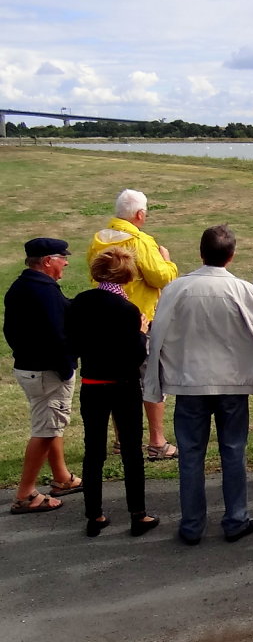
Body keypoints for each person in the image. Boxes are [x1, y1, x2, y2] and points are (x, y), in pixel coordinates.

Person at [144, 224, 253, 545]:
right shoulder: (240, 289)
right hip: (231, 384)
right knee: (233, 451)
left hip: (188, 383)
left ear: (201, 253)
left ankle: (192, 525)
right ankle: (235, 518)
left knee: (190, 455)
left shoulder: (176, 289)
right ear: (232, 255)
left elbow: (156, 338)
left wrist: (153, 385)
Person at [66, 247, 159, 537]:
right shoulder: (127, 310)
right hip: (123, 385)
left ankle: (94, 515)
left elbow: (74, 344)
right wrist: (141, 332)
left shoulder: (80, 302)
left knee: (93, 451)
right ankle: (137, 514)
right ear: (126, 276)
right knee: (132, 450)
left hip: (92, 384)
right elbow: (134, 356)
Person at [87, 189, 179, 460]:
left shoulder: (100, 238)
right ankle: (157, 441)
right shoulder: (140, 240)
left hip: (106, 319)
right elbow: (161, 277)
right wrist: (167, 260)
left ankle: (121, 440)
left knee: (120, 378)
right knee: (150, 378)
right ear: (140, 214)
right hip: (139, 318)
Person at [5, 238, 80, 514]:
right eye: (63, 257)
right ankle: (25, 494)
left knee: (51, 425)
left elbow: (11, 332)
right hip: (47, 372)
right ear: (47, 261)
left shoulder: (22, 286)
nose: (67, 261)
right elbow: (57, 334)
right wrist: (66, 367)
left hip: (29, 367)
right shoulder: (44, 291)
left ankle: (61, 477)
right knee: (45, 431)